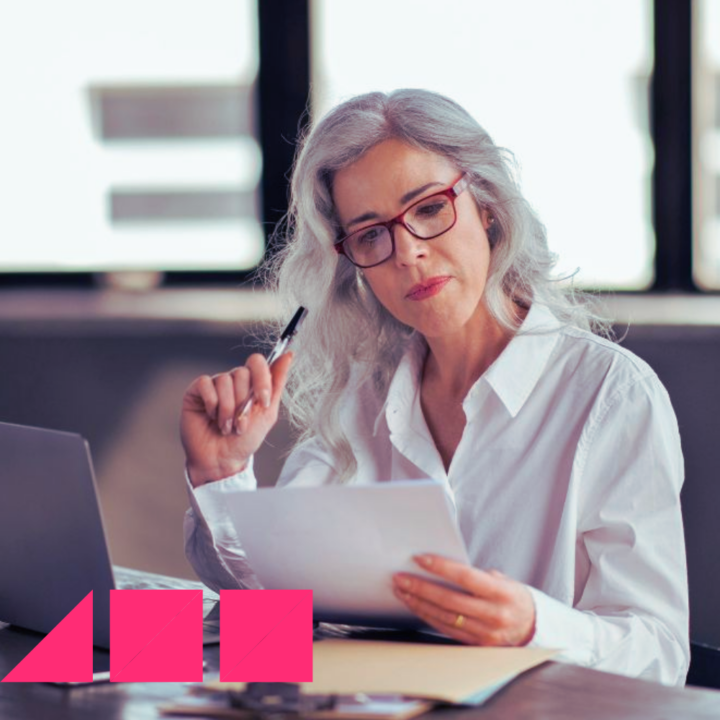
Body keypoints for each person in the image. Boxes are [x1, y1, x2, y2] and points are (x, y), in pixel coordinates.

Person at [180, 89, 689, 686]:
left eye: (427, 209)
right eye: (371, 235)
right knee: (93, 671)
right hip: (376, 700)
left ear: (489, 208)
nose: (409, 253)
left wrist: (533, 625)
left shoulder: (610, 395)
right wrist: (222, 473)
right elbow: (275, 606)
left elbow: (660, 653)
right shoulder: (363, 397)